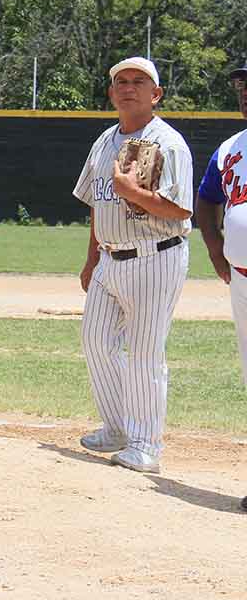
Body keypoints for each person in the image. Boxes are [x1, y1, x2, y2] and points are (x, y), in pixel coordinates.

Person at [73, 56, 192, 474]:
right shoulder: (103, 141)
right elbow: (96, 204)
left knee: (144, 353)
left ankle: (146, 445)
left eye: (139, 81)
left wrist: (133, 192)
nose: (128, 87)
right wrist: (90, 260)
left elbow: (180, 210)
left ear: (155, 94)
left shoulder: (169, 143)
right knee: (95, 342)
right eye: (120, 81)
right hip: (109, 258)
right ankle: (118, 427)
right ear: (111, 93)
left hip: (156, 256)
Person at [194, 62, 247, 507]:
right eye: (241, 85)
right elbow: (208, 197)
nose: (245, 92)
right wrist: (215, 246)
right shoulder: (230, 148)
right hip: (243, 281)